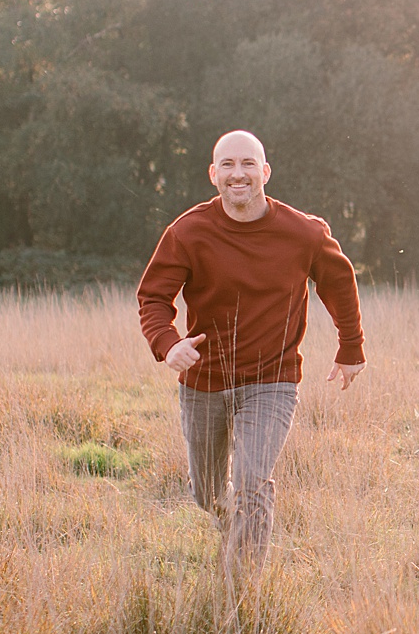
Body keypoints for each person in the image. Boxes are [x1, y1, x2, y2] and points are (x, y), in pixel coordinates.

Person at [136, 128, 367, 576]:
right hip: (205, 381)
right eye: (227, 165)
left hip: (272, 380)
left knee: (251, 480)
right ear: (213, 174)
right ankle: (233, 526)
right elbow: (153, 298)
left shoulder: (304, 233)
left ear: (265, 172)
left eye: (247, 165)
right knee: (205, 493)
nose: (237, 174)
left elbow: (338, 282)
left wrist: (351, 346)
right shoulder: (188, 232)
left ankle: (240, 594)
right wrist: (168, 344)